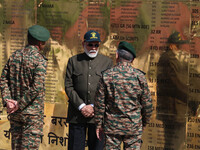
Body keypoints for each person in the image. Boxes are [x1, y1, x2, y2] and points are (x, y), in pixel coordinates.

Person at [94, 41, 153, 150]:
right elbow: (147, 104)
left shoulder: (106, 75)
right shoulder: (139, 77)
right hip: (133, 126)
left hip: (112, 127)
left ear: (117, 56)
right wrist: (145, 122)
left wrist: (98, 124)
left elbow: (99, 103)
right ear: (133, 60)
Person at [0, 25, 50, 150]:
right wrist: (20, 104)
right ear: (40, 43)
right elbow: (36, 87)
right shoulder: (39, 60)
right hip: (31, 115)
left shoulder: (14, 56)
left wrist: (8, 101)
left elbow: (3, 79)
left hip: (15, 113)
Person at [65, 30, 113, 150]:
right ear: (83, 44)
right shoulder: (74, 61)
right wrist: (82, 106)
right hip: (77, 114)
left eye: (96, 45)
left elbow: (108, 89)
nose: (93, 48)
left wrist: (93, 106)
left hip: (97, 116)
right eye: (90, 44)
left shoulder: (107, 62)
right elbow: (69, 86)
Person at [156, 31, 191, 150]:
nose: (180, 48)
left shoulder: (170, 58)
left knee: (172, 144)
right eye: (178, 46)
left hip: (174, 110)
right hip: (173, 110)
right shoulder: (168, 59)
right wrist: (191, 96)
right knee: (174, 145)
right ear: (171, 46)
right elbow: (175, 83)